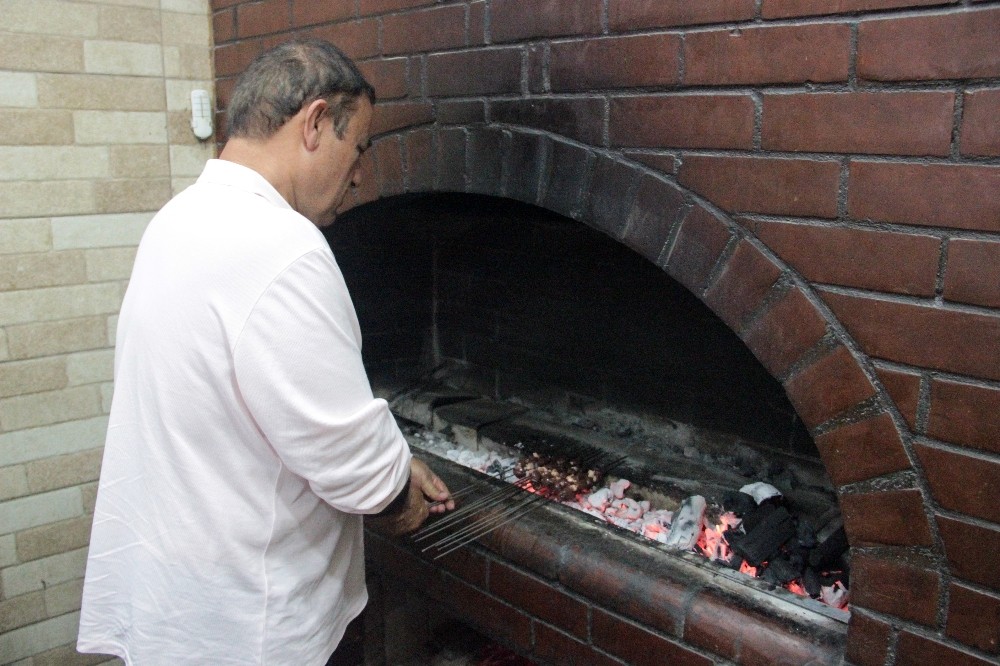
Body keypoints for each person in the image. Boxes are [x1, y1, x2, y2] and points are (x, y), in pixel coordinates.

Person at [77, 39, 454, 666]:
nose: (360, 173)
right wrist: (397, 493)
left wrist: (386, 460)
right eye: (358, 146)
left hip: (181, 597)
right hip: (253, 626)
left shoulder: (177, 219)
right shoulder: (283, 246)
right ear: (313, 123)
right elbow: (348, 458)